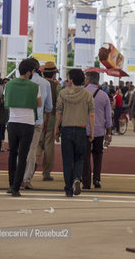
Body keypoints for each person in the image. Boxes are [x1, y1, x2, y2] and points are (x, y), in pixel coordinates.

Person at [54, 69, 95, 197]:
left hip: (66, 129)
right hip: (81, 129)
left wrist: (56, 128)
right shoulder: (88, 95)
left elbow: (59, 113)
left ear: (71, 79)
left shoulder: (63, 94)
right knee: (79, 158)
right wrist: (92, 132)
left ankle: (68, 188)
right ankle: (77, 178)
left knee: (67, 160)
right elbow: (92, 115)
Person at [5, 59, 42, 197]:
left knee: (12, 153)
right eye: (33, 71)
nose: (33, 74)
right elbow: (39, 104)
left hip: (13, 122)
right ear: (28, 72)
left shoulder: (9, 84)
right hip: (28, 123)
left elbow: (7, 103)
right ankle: (16, 187)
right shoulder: (34, 86)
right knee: (23, 156)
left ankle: (10, 184)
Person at [22, 58, 52, 189]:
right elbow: (49, 107)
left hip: (20, 120)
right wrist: (46, 121)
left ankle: (17, 176)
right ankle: (27, 179)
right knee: (32, 151)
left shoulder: (19, 81)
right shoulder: (45, 83)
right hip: (37, 121)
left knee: (20, 150)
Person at [83, 71, 112, 189]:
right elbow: (108, 116)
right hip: (99, 130)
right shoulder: (104, 95)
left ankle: (85, 181)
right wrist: (108, 132)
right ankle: (96, 179)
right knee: (98, 155)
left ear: (88, 80)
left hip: (84, 129)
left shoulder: (82, 93)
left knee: (85, 156)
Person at [36, 62, 61, 181]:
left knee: (37, 143)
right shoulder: (57, 87)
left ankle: (33, 164)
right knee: (49, 146)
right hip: (51, 119)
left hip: (38, 117)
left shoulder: (39, 83)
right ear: (54, 74)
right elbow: (60, 105)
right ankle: (46, 173)